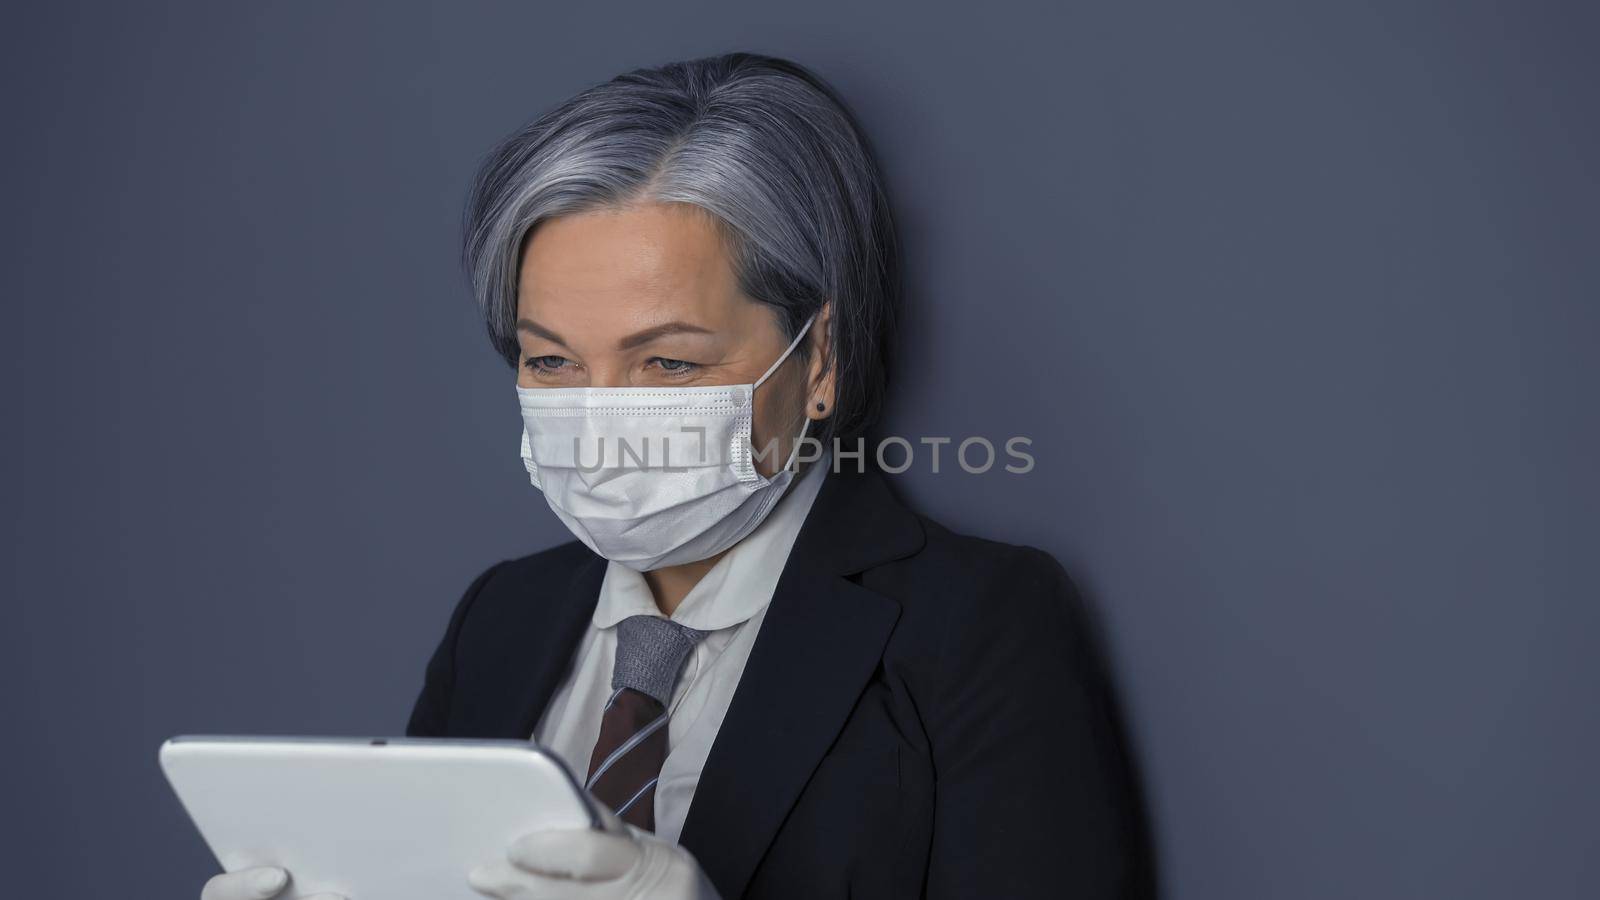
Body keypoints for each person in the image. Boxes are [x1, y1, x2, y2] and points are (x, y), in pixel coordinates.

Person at [201, 51, 1153, 900]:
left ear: (819, 359)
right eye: (552, 362)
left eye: (669, 365)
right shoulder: (501, 620)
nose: (605, 420)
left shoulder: (976, 625)